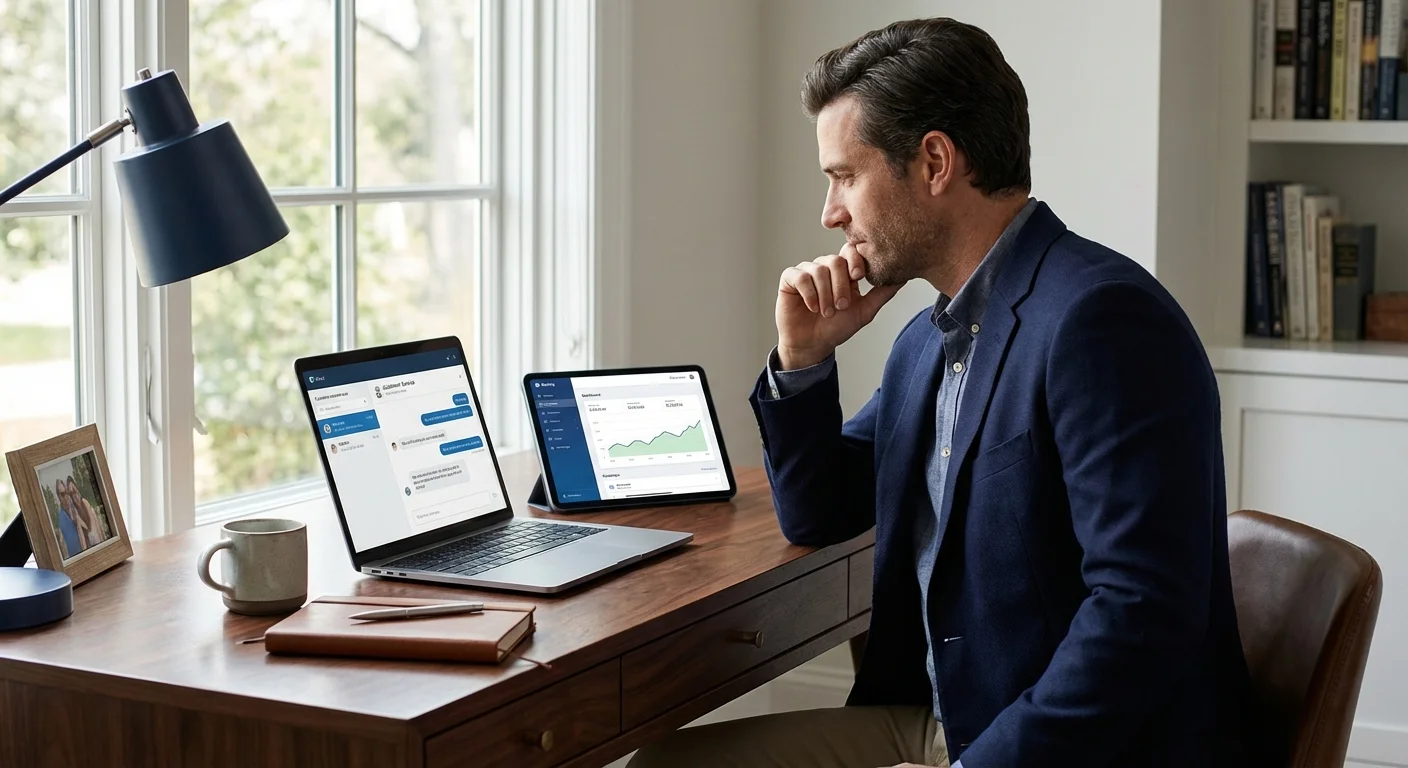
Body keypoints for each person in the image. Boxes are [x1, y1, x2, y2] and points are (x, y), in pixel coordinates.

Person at [629, 17, 1249, 768]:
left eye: (844, 176)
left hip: (1064, 747)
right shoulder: (930, 340)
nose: (830, 213)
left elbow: (1141, 616)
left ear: (933, 162)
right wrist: (803, 359)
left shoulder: (1101, 321)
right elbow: (819, 512)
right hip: (947, 719)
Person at [68, 477, 106, 548]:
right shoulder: (75, 512)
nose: (74, 496)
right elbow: (81, 537)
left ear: (77, 490)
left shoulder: (85, 503)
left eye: (74, 491)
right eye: (71, 493)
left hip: (98, 542)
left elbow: (96, 527)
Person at [52, 480, 82, 559]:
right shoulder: (61, 518)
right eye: (62, 494)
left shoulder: (76, 508)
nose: (65, 497)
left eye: (66, 493)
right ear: (58, 496)